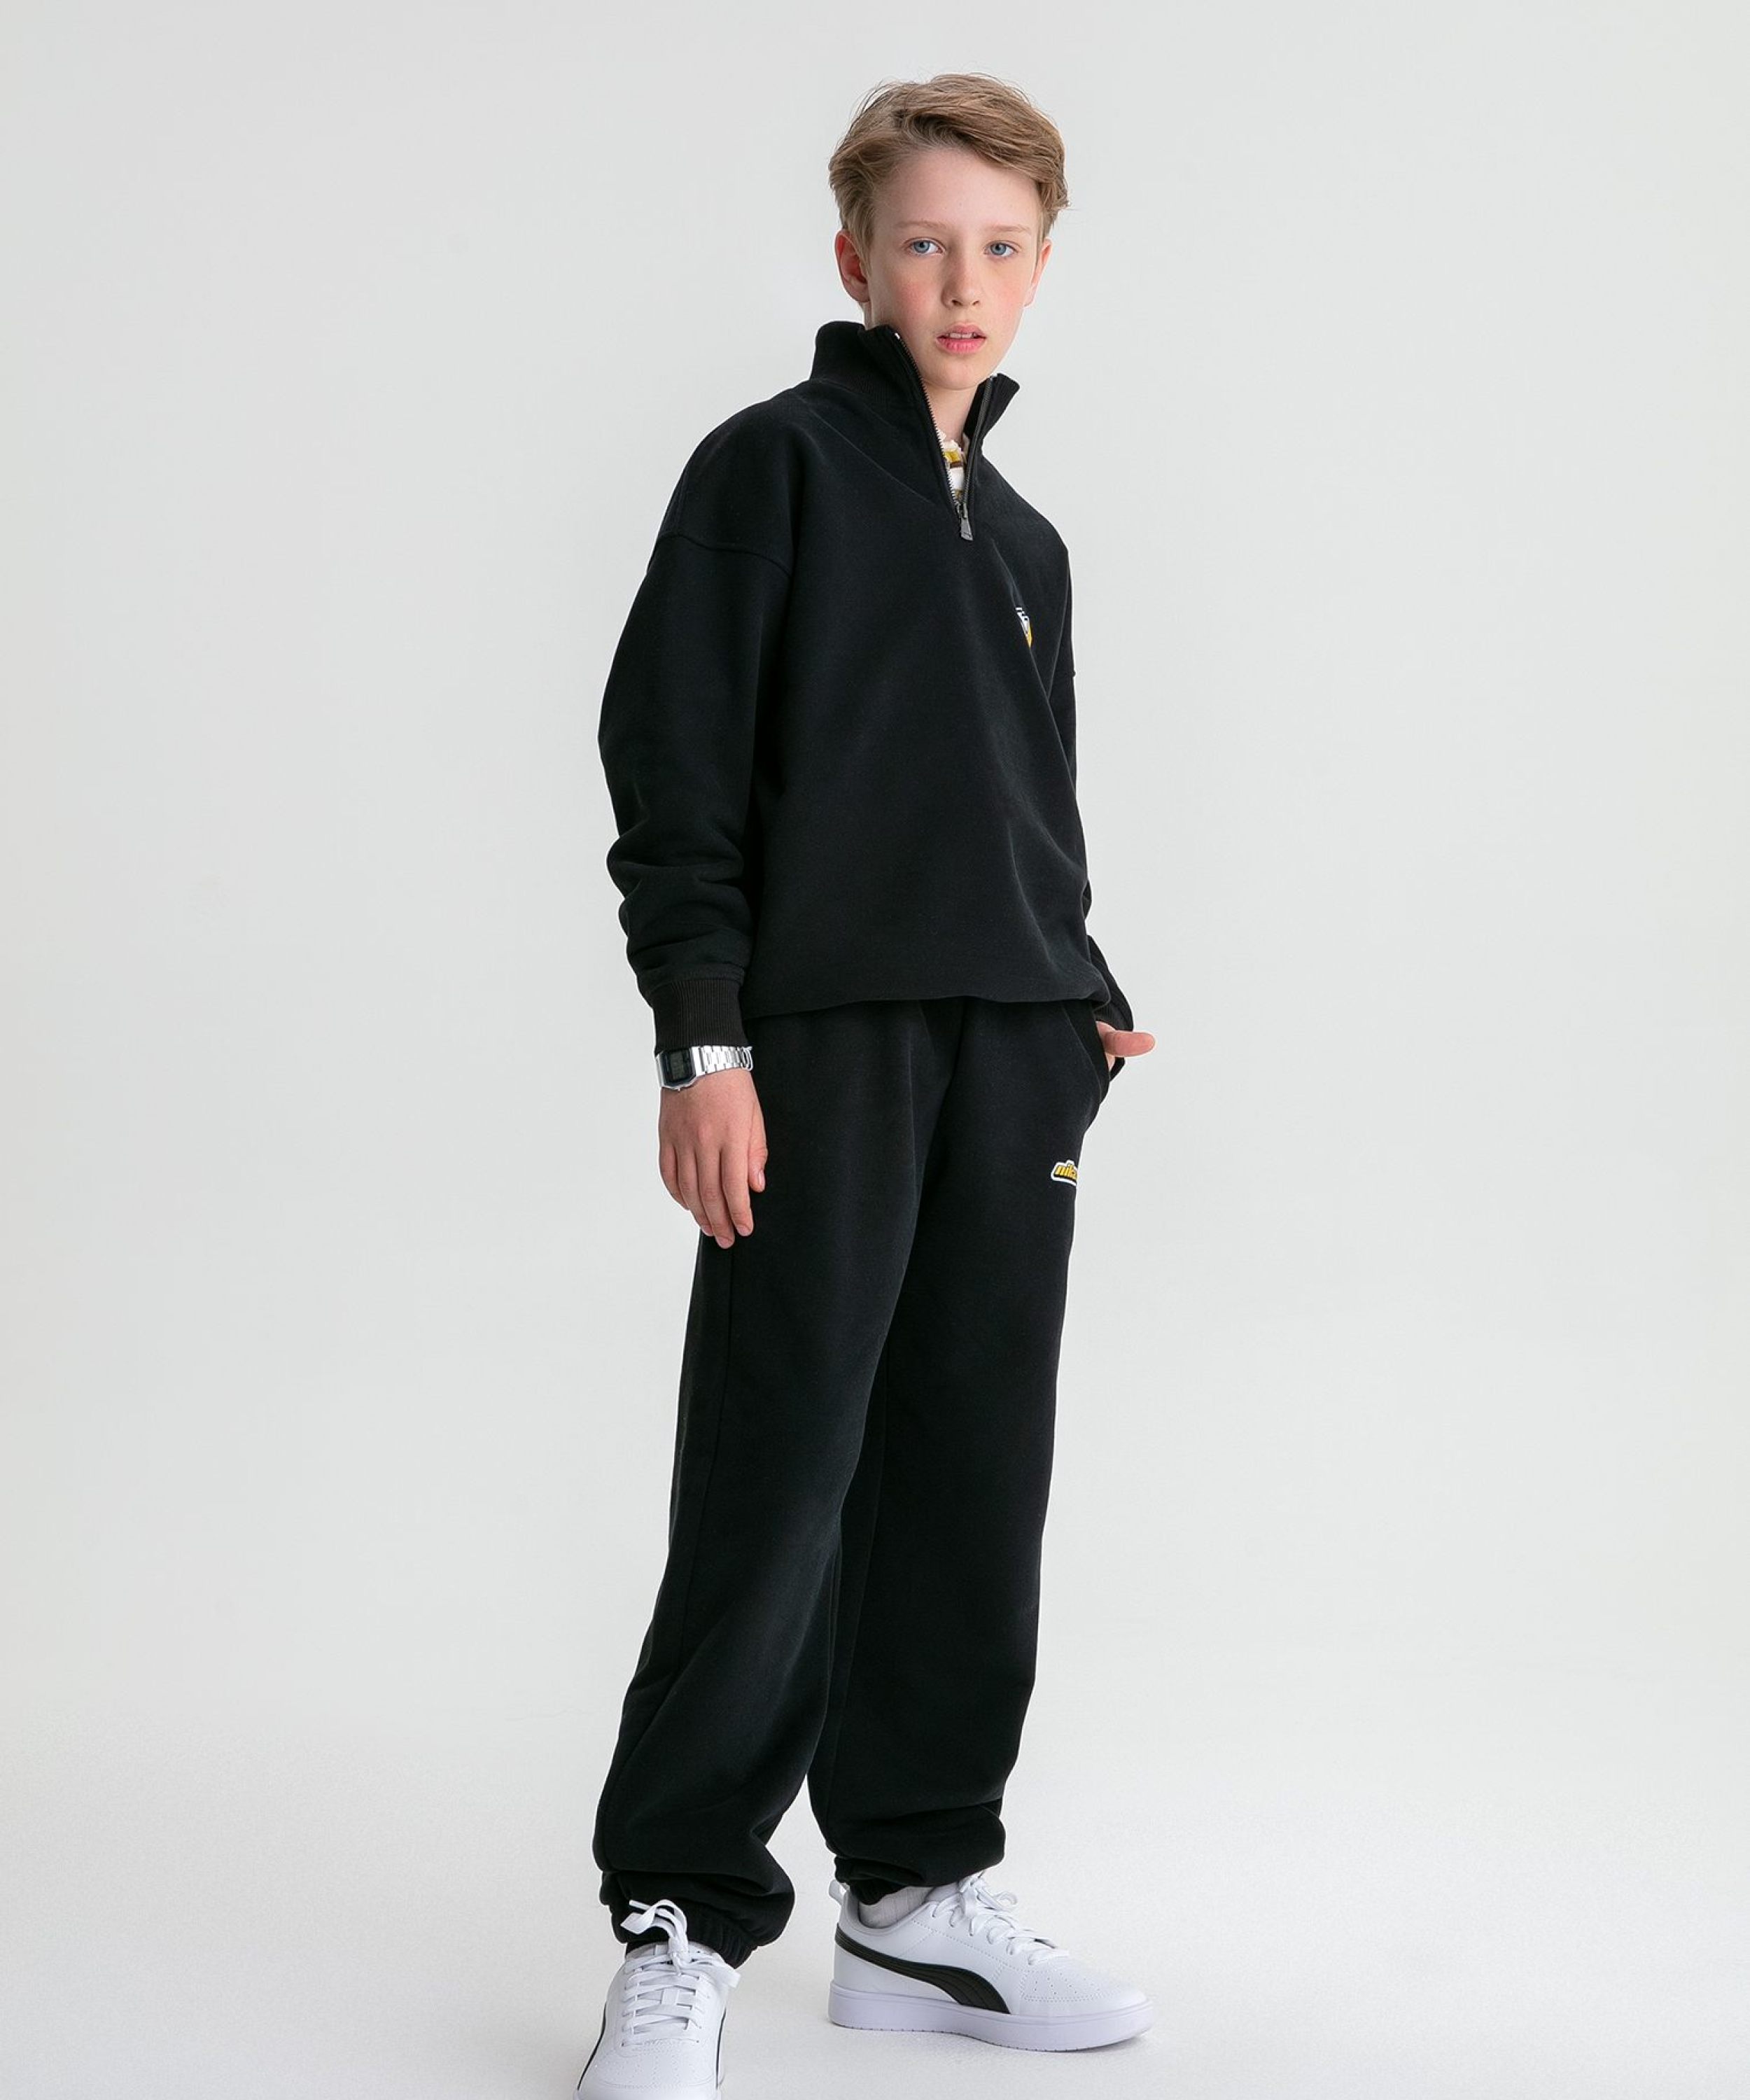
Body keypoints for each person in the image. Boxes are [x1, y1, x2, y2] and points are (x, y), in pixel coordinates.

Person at [575, 71, 1158, 2098]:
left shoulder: (1030, 540)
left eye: (999, 247)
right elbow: (672, 765)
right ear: (855, 260)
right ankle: (676, 1916)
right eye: (924, 243)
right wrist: (705, 1042)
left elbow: (1022, 796)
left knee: (974, 1471)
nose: (961, 281)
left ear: (1041, 267)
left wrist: (1078, 986)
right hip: (821, 1047)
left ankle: (914, 1895)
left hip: (1015, 1052)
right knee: (780, 1475)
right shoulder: (774, 470)